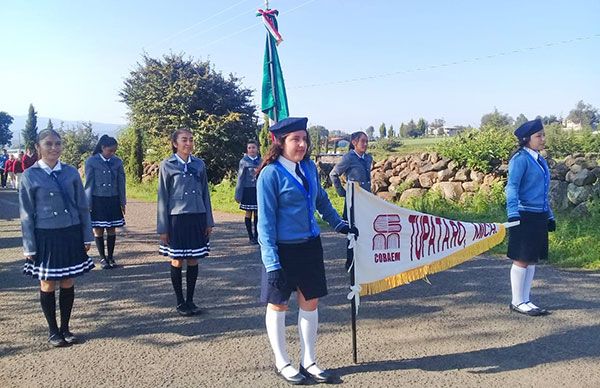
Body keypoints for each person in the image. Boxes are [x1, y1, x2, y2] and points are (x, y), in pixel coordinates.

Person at [257, 117, 355, 385]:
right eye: (295, 139)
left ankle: (308, 360)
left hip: (310, 246)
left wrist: (339, 224)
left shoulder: (310, 167)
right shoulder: (270, 174)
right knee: (278, 305)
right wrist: (271, 263)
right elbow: (264, 224)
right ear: (280, 142)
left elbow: (321, 200)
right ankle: (282, 361)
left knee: (310, 302)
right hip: (282, 251)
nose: (301, 144)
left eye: (304, 139)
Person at [19, 129, 95, 347]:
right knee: (48, 282)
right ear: (37, 147)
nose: (54, 148)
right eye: (49, 144)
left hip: (70, 232)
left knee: (68, 279)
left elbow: (82, 206)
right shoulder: (29, 175)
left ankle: (66, 327)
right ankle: (53, 331)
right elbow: (26, 213)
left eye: (58, 144)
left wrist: (86, 235)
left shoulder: (70, 172)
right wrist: (29, 246)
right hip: (46, 235)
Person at [157, 128, 214, 317]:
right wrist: (163, 228)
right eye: (184, 140)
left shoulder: (199, 165)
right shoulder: (167, 165)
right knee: (177, 259)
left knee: (193, 258)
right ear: (175, 143)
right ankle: (180, 302)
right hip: (176, 218)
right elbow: (162, 197)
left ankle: (191, 300)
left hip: (197, 216)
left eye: (190, 139)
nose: (188, 143)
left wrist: (208, 221)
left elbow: (206, 193)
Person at [506, 118, 554, 317]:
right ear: (527, 139)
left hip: (539, 214)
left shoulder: (539, 159)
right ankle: (517, 301)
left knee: (532, 259)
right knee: (521, 259)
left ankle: (526, 299)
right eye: (538, 136)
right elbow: (512, 187)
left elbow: (543, 191)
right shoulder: (520, 159)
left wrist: (549, 215)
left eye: (543, 135)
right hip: (523, 213)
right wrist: (512, 213)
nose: (542, 138)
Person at [84, 135, 126, 269]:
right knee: (99, 229)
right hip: (98, 199)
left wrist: (122, 201)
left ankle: (111, 257)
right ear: (102, 148)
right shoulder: (91, 161)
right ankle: (102, 258)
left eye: (114, 151)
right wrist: (87, 203)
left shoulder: (117, 162)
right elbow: (89, 184)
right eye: (110, 151)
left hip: (113, 198)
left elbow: (121, 183)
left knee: (112, 228)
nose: (112, 154)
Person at [234, 140, 262, 244]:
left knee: (257, 213)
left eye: (253, 147)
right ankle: (251, 236)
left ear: (257, 149)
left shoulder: (261, 161)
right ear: (247, 150)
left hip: (258, 190)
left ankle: (257, 235)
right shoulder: (244, 161)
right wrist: (238, 194)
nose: (251, 150)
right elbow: (240, 178)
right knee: (249, 212)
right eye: (249, 148)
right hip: (247, 190)